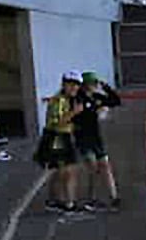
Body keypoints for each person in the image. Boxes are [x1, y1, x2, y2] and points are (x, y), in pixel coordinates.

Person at [74, 72, 123, 210]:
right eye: (93, 83)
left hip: (95, 137)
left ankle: (114, 197)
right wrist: (94, 111)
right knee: (93, 166)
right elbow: (76, 117)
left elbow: (115, 101)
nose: (95, 85)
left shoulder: (96, 97)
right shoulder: (79, 99)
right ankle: (91, 198)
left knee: (105, 165)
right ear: (85, 85)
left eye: (96, 83)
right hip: (82, 137)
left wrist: (106, 87)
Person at [37, 74, 85, 211]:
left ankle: (56, 199)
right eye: (71, 84)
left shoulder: (68, 99)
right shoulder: (59, 100)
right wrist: (74, 113)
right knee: (67, 170)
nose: (75, 87)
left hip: (63, 136)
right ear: (64, 84)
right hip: (58, 137)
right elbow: (58, 123)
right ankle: (68, 202)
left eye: (76, 84)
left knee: (60, 170)